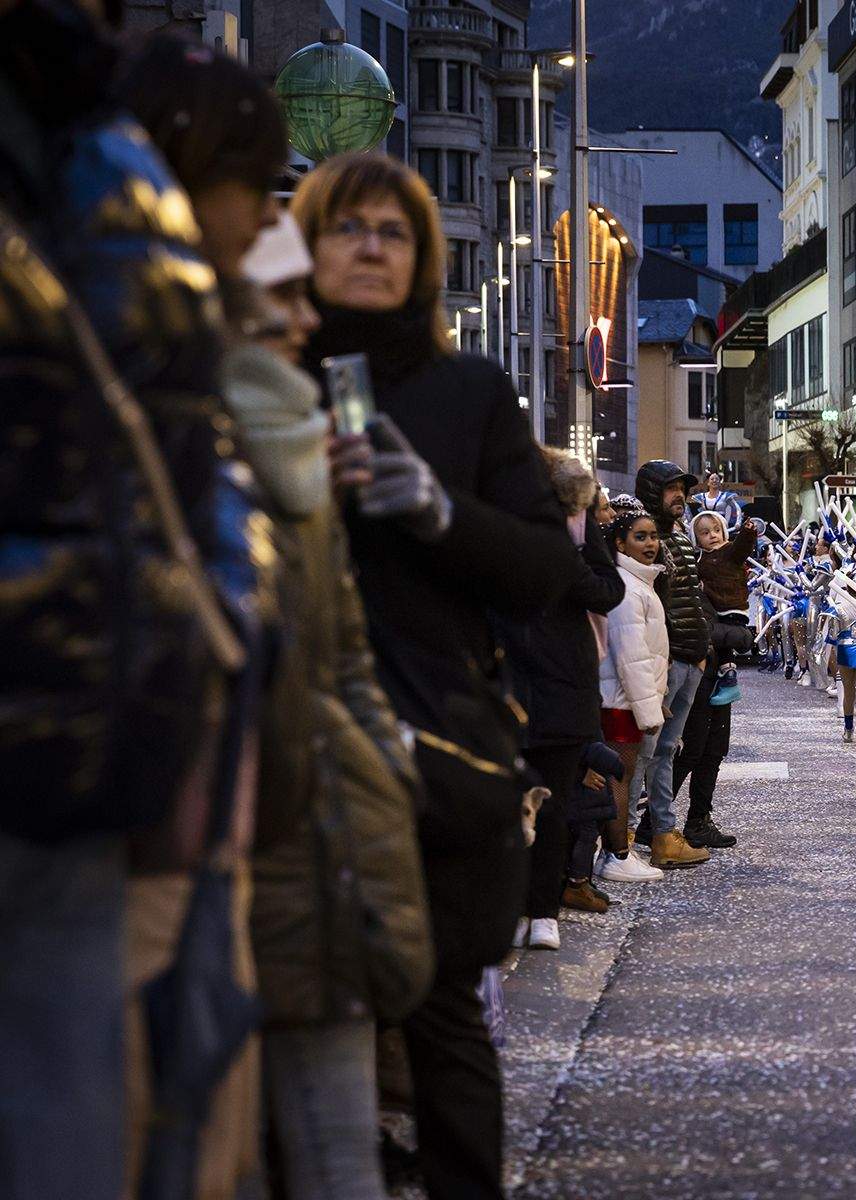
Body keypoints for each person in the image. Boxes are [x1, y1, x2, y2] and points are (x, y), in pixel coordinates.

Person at [0, 7, 250, 1195]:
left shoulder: (95, 147)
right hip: (84, 710)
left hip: (79, 715)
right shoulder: (106, 150)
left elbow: (169, 469)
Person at [295, 151, 575, 1200]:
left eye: (395, 231)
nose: (371, 245)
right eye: (348, 226)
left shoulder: (468, 391)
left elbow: (547, 570)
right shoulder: (262, 375)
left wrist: (439, 511)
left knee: (442, 1007)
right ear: (308, 245)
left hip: (436, 745)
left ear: (423, 261)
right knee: (292, 1018)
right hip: (281, 738)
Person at [225, 214, 435, 1200]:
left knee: (337, 1156)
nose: (306, 319)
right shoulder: (165, 452)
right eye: (284, 298)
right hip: (215, 861)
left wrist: (379, 776)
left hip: (324, 846)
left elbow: (345, 658)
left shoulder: (306, 467)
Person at [117, 34, 291, 1198]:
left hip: (211, 811)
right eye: (258, 191)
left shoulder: (205, 348)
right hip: (136, 817)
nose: (264, 222)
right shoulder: (143, 345)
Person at [499, 447, 625, 951]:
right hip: (505, 675)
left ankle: (543, 908)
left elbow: (608, 590)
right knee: (505, 800)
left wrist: (566, 568)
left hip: (563, 681)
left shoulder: (576, 523)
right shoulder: (492, 521)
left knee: (553, 803)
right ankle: (510, 905)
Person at [631, 460, 715, 868]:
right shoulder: (643, 538)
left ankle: (663, 833)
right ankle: (624, 839)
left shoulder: (679, 536)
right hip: (663, 662)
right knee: (644, 752)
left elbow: (692, 597)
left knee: (665, 752)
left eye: (682, 487)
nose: (678, 495)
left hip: (688, 660)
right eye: (670, 488)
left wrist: (702, 652)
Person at [673, 509, 761, 850]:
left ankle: (698, 819)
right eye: (703, 532)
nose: (712, 535)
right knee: (692, 749)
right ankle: (656, 819)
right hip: (698, 672)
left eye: (716, 529)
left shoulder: (724, 564)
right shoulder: (697, 574)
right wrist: (739, 636)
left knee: (713, 750)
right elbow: (702, 625)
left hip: (716, 674)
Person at [601, 506, 675, 854]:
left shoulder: (640, 583)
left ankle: (618, 852)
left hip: (629, 698)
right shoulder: (628, 588)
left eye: (654, 536)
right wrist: (649, 712)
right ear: (621, 542)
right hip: (621, 700)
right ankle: (617, 854)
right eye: (640, 537)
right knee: (620, 778)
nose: (650, 544)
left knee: (624, 777)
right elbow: (632, 656)